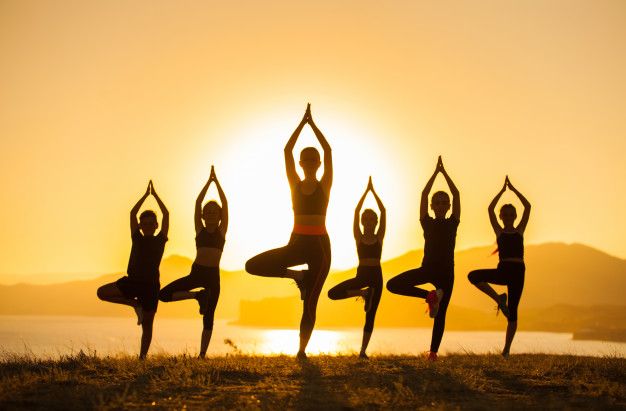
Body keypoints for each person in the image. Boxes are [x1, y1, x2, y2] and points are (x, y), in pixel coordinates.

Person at [245, 104, 332, 359]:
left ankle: (302, 350)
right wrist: (301, 124)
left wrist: (312, 125)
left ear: (317, 164)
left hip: (319, 246)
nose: (308, 164)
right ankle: (297, 276)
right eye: (304, 160)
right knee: (253, 265)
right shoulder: (294, 183)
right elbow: (286, 150)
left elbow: (328, 150)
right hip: (296, 242)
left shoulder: (324, 185)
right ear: (301, 163)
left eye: (312, 160)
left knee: (311, 303)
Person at [386, 156, 460, 361]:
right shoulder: (426, 221)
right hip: (427, 269)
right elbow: (424, 193)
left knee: (441, 314)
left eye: (445, 202)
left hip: (446, 272)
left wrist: (444, 173)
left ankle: (433, 353)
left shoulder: (453, 222)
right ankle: (429, 296)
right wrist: (435, 173)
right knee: (392, 284)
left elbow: (456, 193)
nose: (441, 204)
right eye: (437, 202)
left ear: (449, 206)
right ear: (432, 205)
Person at [159, 166, 228, 358]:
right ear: (203, 216)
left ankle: (202, 355)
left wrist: (217, 183)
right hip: (197, 272)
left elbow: (225, 203)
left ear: (220, 216)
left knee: (209, 317)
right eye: (208, 211)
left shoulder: (222, 232)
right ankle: (197, 296)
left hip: (213, 276)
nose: (211, 213)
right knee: (163, 295)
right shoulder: (200, 230)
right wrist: (209, 182)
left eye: (215, 211)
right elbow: (198, 202)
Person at [97, 181, 169, 359]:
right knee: (102, 292)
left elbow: (166, 214)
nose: (147, 226)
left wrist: (155, 195)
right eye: (144, 223)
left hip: (151, 286)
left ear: (156, 225)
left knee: (148, 325)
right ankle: (134, 304)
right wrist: (145, 195)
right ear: (140, 225)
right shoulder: (136, 237)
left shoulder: (160, 239)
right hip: (133, 281)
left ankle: (142, 359)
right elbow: (132, 213)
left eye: (151, 223)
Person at [468, 176, 530, 357]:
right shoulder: (499, 231)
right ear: (501, 217)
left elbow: (528, 207)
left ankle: (506, 350)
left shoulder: (520, 230)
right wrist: (502, 191)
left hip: (518, 272)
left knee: (513, 313)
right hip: (503, 270)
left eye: (512, 214)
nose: (509, 217)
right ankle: (498, 299)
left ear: (515, 216)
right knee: (473, 276)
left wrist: (514, 189)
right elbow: (489, 209)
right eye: (506, 214)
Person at [328, 177, 385, 359]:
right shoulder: (358, 237)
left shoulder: (379, 237)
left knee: (370, 314)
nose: (368, 222)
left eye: (371, 219)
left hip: (376, 276)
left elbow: (383, 210)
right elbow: (356, 211)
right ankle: (362, 294)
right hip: (361, 276)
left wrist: (373, 192)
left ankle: (362, 351)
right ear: (362, 222)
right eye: (365, 219)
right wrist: (364, 193)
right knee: (332, 293)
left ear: (375, 222)